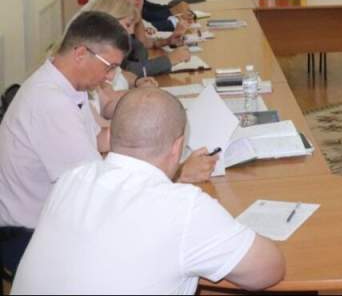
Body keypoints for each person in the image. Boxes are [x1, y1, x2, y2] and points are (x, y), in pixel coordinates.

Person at [0, 12, 217, 272]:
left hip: (61, 216)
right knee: (164, 250)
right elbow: (100, 195)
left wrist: (156, 133)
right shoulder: (50, 103)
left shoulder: (68, 86)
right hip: (30, 236)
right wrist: (178, 172)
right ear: (81, 53)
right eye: (109, 66)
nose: (111, 77)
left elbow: (99, 140)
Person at [12, 88, 285, 294]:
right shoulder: (185, 208)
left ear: (111, 135)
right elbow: (269, 270)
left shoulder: (72, 179)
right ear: (177, 148)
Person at [97, 0, 190, 75]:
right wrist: (170, 59)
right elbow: (126, 70)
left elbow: (140, 45)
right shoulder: (104, 25)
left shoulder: (121, 18)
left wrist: (167, 41)